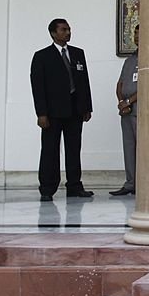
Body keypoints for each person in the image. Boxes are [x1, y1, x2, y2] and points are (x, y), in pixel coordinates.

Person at [30, 18, 94, 201]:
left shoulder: (78, 53)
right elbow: (38, 87)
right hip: (52, 113)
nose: (68, 32)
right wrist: (41, 113)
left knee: (74, 149)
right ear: (53, 33)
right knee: (50, 150)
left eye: (69, 29)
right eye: (63, 30)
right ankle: (47, 188)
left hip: (75, 110)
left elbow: (84, 82)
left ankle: (74, 186)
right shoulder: (42, 56)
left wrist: (87, 107)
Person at [111, 24, 139, 197]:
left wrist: (129, 101)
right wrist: (122, 102)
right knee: (129, 147)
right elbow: (120, 84)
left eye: (140, 33)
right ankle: (130, 183)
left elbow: (147, 85)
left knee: (142, 148)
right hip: (126, 110)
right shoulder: (130, 59)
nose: (137, 37)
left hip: (139, 109)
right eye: (135, 34)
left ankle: (142, 184)